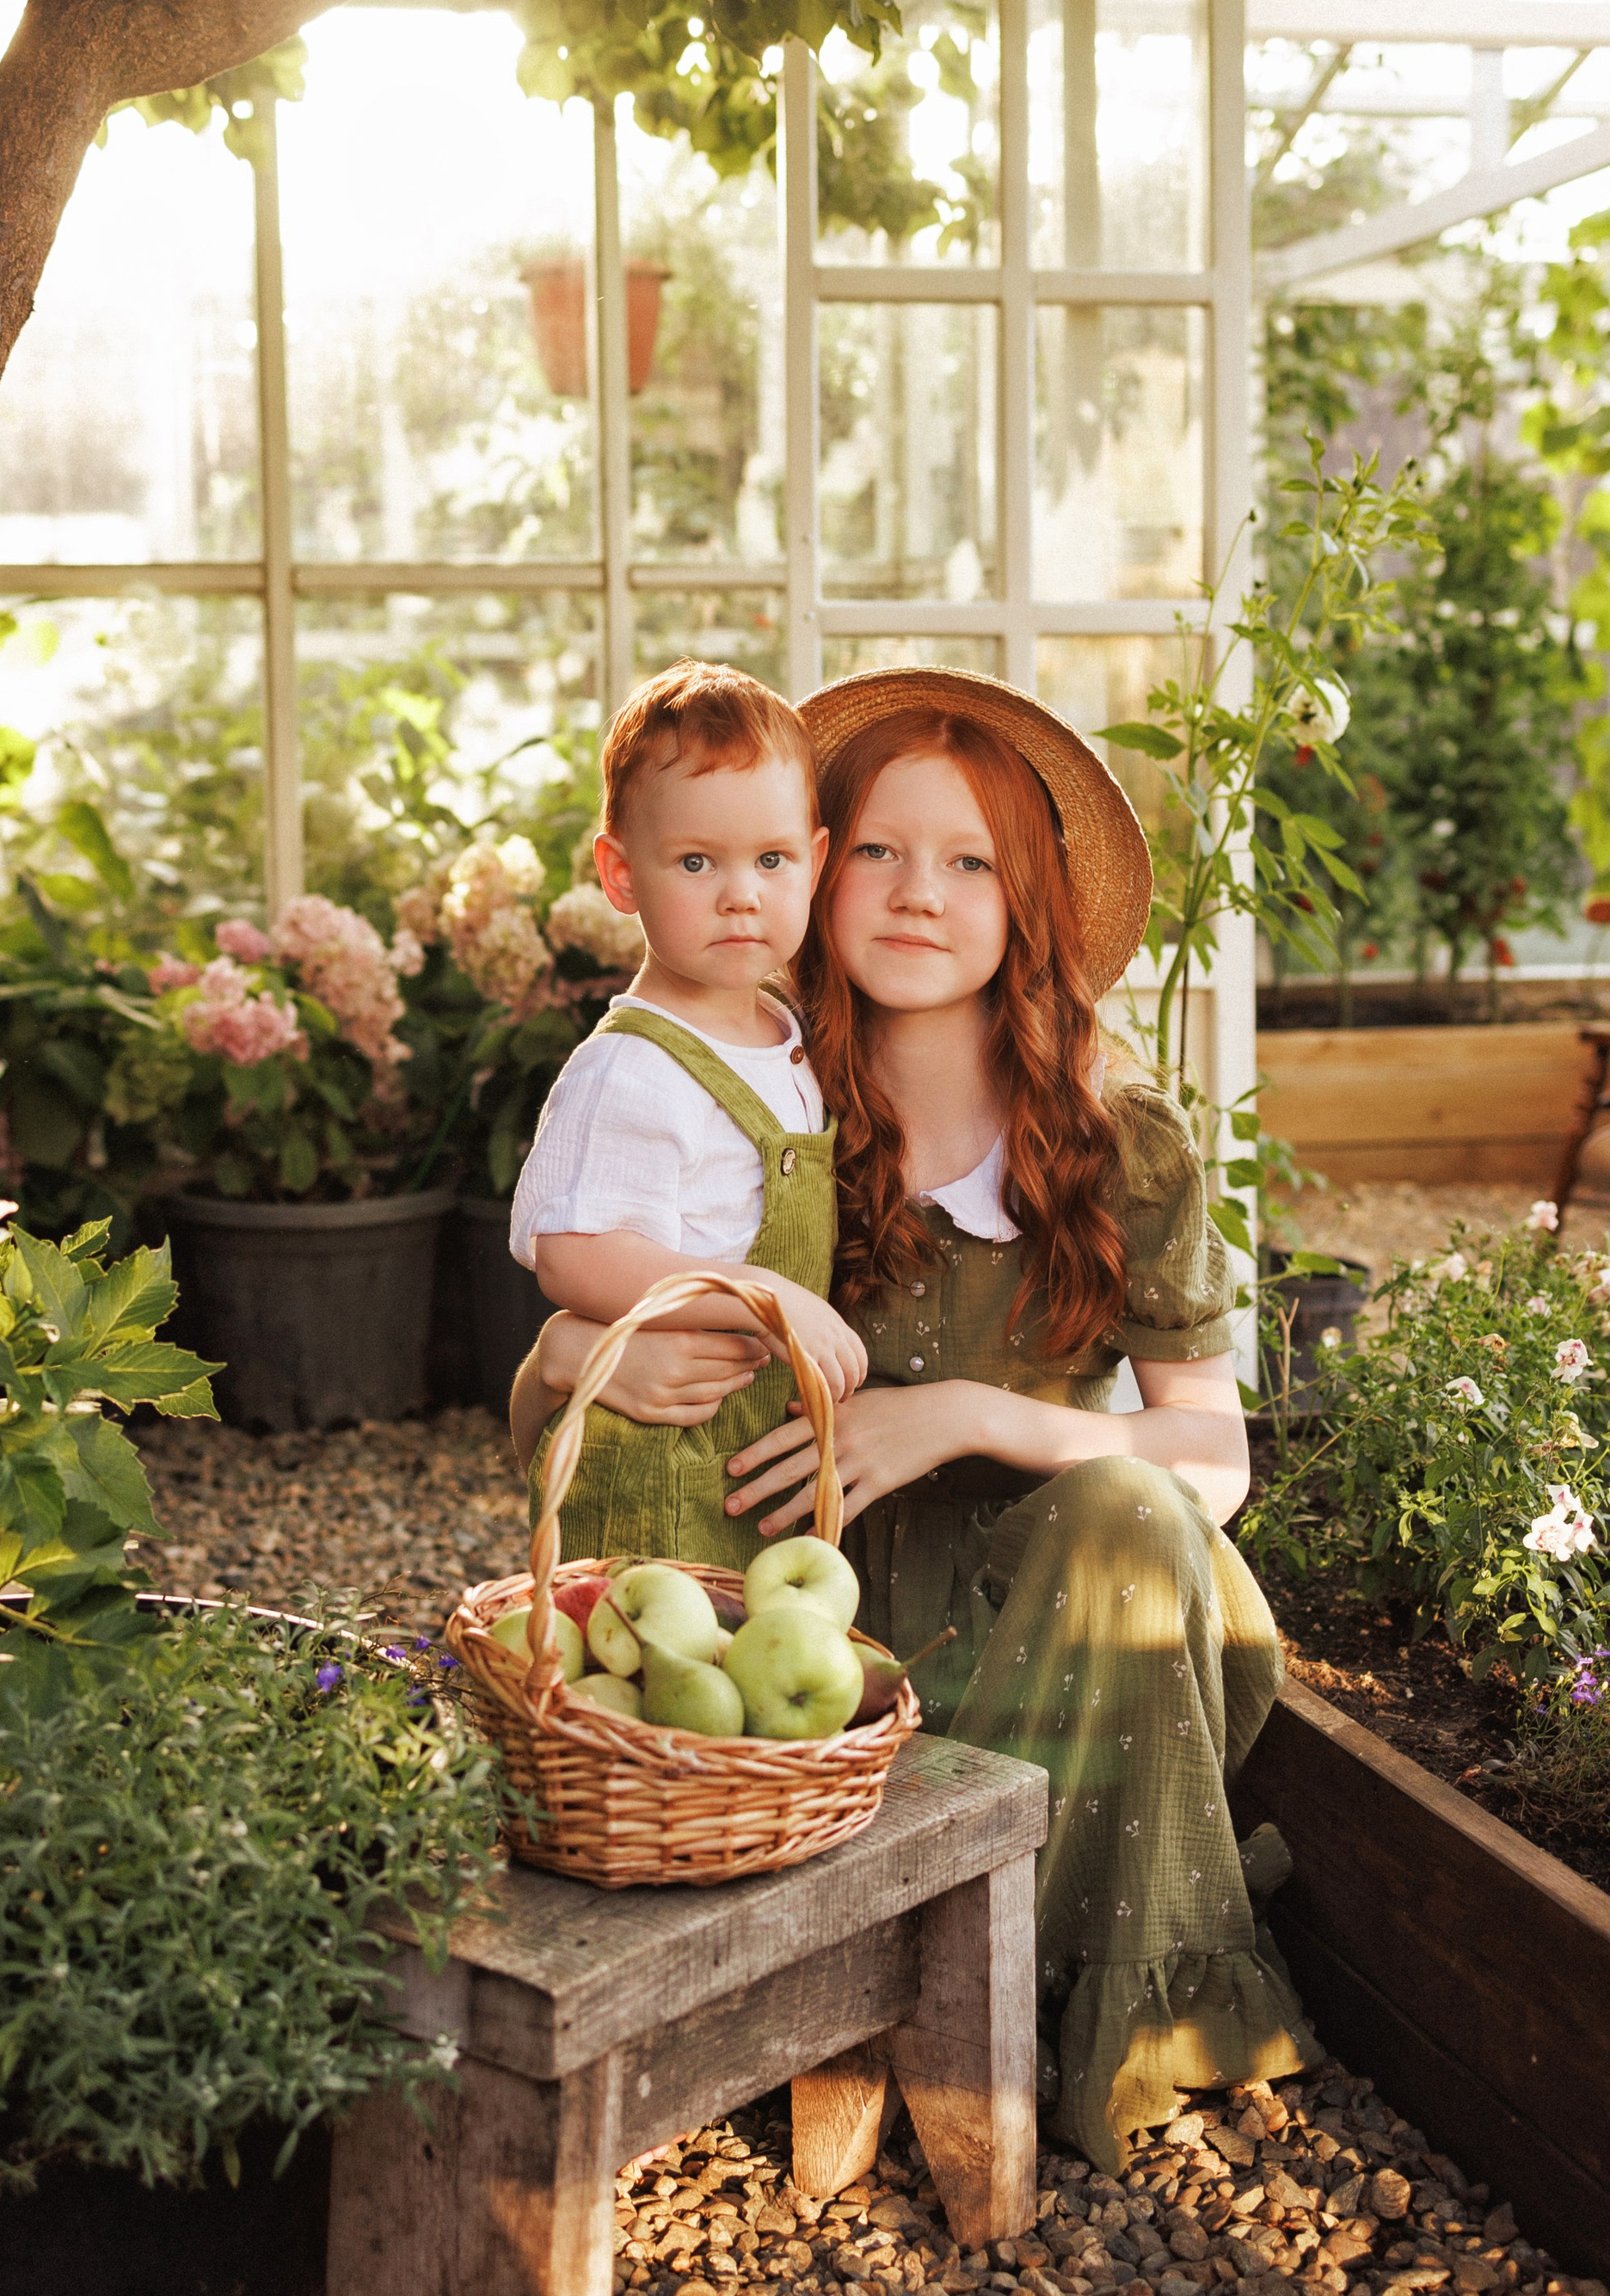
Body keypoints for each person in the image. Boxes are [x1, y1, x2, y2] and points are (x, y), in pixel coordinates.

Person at [513, 666, 1316, 2172]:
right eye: (877, 849)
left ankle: (1042, 2004)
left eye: (968, 862)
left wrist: (963, 1411)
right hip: (830, 1591)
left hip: (1066, 1596)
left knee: (1127, 1516)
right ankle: (839, 1999)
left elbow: (1214, 1461)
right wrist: (573, 1347)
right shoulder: (766, 1091)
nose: (916, 895)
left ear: (1028, 900)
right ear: (819, 865)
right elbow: (603, 1299)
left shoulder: (1108, 1117)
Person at [509, 659, 866, 1571]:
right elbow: (577, 1252)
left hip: (745, 1456)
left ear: (815, 864)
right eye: (697, 861)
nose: (740, 891)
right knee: (656, 1673)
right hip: (659, 1460)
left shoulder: (786, 1027)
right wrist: (763, 1294)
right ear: (621, 875)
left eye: (771, 860)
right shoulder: (633, 1069)